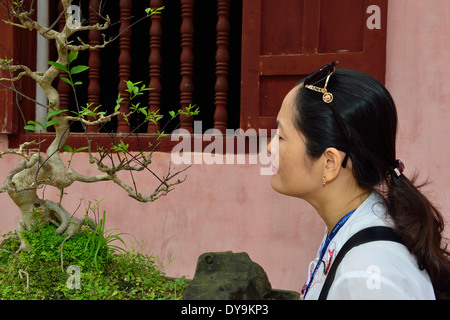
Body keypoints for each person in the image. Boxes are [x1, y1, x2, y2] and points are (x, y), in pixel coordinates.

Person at [267, 61, 450, 300]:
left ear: (330, 163)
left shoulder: (365, 274)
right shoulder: (350, 223)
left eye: (281, 136)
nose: (270, 148)